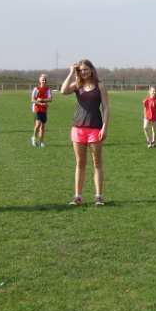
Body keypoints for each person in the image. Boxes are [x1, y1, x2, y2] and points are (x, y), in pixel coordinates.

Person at [60, 60, 109, 206]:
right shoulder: (77, 84)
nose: (83, 72)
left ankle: (98, 197)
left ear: (91, 69)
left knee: (97, 163)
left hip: (95, 128)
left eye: (86, 69)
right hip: (78, 128)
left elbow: (106, 107)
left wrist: (104, 127)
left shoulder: (100, 85)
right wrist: (71, 72)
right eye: (81, 70)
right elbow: (63, 91)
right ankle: (78, 197)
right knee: (80, 163)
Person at [30, 74, 52, 147]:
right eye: (43, 80)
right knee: (38, 124)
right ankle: (34, 138)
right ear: (39, 80)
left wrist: (42, 100)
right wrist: (40, 103)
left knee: (42, 127)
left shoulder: (48, 89)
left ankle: (41, 142)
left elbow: (50, 99)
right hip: (37, 108)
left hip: (44, 109)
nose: (44, 81)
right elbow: (32, 99)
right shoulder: (36, 89)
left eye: (45, 80)